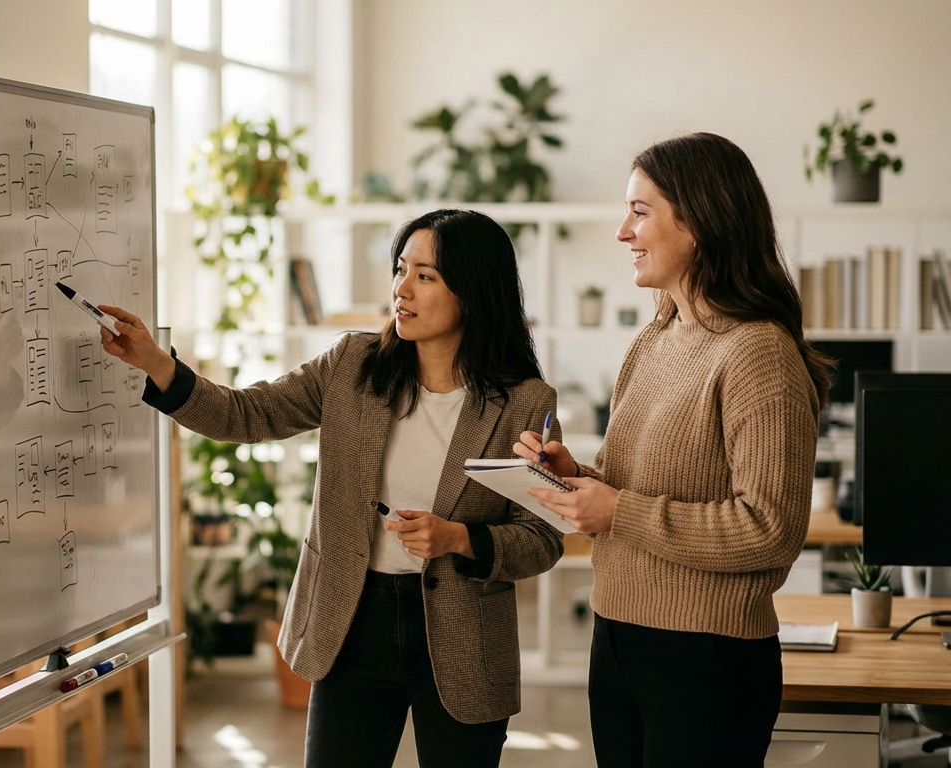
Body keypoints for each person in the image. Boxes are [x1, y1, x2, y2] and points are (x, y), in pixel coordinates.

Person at [100, 209, 564, 768]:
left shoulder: (526, 403)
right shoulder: (353, 365)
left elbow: (542, 537)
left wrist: (462, 539)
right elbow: (246, 414)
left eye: (426, 275)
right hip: (353, 620)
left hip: (465, 633)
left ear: (473, 291)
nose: (401, 289)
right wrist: (158, 365)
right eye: (400, 269)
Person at [515, 133, 830, 768]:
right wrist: (577, 475)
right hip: (619, 635)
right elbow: (635, 483)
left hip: (706, 657)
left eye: (639, 211)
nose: (621, 233)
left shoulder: (757, 352)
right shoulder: (656, 336)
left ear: (699, 220)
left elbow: (769, 530)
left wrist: (619, 511)